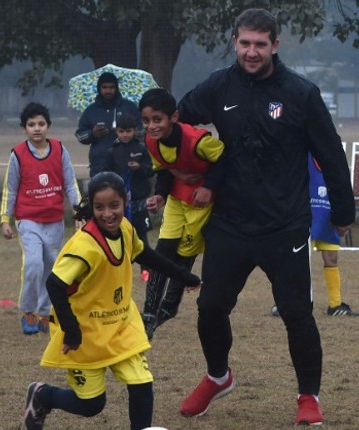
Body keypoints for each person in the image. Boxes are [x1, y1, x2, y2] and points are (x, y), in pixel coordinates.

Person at [176, 8, 355, 425]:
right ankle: (218, 377)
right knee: (210, 307)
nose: (251, 52)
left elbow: (330, 154)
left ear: (275, 45)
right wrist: (177, 165)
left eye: (260, 44)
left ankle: (308, 396)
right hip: (229, 222)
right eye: (244, 43)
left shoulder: (301, 93)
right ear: (235, 43)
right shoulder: (218, 86)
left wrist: (344, 213)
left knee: (297, 313)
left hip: (285, 225)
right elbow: (178, 123)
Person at [20, 172, 201, 430]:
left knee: (141, 382)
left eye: (114, 205)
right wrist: (71, 331)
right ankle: (42, 395)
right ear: (91, 207)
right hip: (86, 333)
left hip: (120, 325)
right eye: (99, 207)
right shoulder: (84, 247)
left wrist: (184, 276)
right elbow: (55, 284)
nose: (108, 214)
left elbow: (147, 255)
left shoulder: (126, 229)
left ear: (125, 202)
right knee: (91, 405)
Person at [138, 88, 225, 340]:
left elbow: (224, 160)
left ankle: (169, 306)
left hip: (200, 202)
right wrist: (160, 196)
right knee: (162, 250)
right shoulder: (150, 141)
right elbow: (164, 170)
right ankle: (149, 311)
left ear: (174, 117)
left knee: (184, 255)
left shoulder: (198, 140)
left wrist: (208, 187)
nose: (152, 126)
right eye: (146, 121)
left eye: (157, 119)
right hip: (176, 198)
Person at [0, 102, 83, 335]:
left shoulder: (59, 149)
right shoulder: (17, 154)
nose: (37, 128)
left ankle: (45, 313)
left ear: (48, 126)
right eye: (31, 124)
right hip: (28, 220)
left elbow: (70, 183)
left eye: (41, 124)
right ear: (24, 129)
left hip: (54, 220)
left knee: (52, 267)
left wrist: (80, 211)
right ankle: (28, 311)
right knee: (34, 263)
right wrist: (5, 219)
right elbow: (11, 189)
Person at [272, 155, 357, 317]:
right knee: (299, 260)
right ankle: (288, 302)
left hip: (329, 217)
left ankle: (335, 304)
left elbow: (342, 187)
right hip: (305, 215)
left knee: (332, 258)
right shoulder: (304, 155)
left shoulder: (334, 159)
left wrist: (344, 214)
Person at [103, 113, 154, 281]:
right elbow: (106, 174)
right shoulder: (112, 151)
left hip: (139, 202)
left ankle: (146, 269)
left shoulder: (141, 148)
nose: (125, 134)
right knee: (117, 236)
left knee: (141, 238)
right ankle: (116, 269)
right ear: (117, 131)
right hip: (120, 203)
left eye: (128, 131)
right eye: (121, 131)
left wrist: (139, 167)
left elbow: (150, 170)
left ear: (135, 131)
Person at [76, 72, 142, 178]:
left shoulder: (129, 107)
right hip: (99, 164)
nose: (108, 91)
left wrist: (125, 132)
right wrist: (92, 134)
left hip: (127, 163)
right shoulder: (91, 110)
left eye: (111, 87)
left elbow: (142, 130)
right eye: (104, 87)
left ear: (117, 88)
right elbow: (80, 135)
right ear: (99, 88)